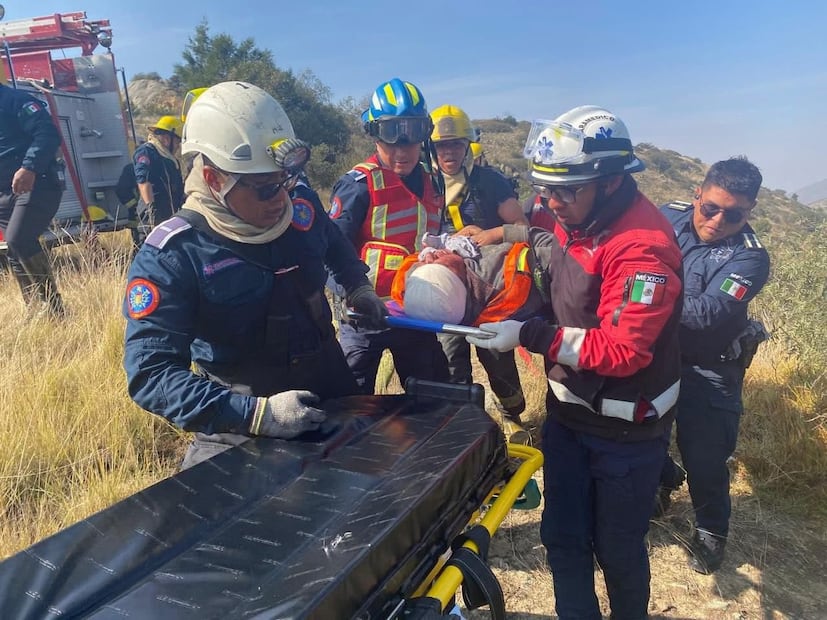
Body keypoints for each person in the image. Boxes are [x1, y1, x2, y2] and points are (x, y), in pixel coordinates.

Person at [467, 106, 683, 620]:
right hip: (568, 416)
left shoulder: (642, 250)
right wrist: (475, 242)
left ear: (610, 183)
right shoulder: (566, 210)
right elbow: (538, 232)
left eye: (566, 191)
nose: (551, 203)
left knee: (619, 551)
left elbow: (623, 351)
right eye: (545, 189)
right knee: (563, 541)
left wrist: (529, 334)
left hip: (625, 432)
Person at [122, 81, 386, 469]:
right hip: (238, 419)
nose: (281, 199)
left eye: (285, 181)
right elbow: (151, 373)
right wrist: (256, 415)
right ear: (214, 179)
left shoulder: (300, 205)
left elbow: (332, 243)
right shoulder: (173, 255)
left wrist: (357, 285)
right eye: (264, 189)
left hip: (331, 387)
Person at [657, 157, 770, 574]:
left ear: (749, 211)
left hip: (710, 370)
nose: (718, 220)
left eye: (734, 214)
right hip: (657, 355)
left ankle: (710, 529)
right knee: (644, 432)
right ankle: (664, 481)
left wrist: (641, 295)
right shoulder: (668, 216)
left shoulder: (751, 259)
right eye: (711, 208)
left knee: (704, 456)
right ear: (697, 196)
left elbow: (706, 312)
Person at [329, 78, 448, 393]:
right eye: (391, 137)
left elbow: (437, 232)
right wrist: (351, 292)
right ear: (374, 135)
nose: (402, 150)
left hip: (415, 313)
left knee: (432, 391)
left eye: (411, 138)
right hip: (364, 314)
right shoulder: (358, 185)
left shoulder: (433, 181)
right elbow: (329, 249)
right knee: (349, 397)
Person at [429, 104, 531, 437]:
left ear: (467, 145)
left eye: (456, 144)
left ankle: (511, 416)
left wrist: (488, 235)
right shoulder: (425, 183)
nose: (449, 152)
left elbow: (524, 228)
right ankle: (465, 427)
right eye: (442, 145)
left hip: (489, 289)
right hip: (446, 286)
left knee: (496, 356)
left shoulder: (489, 181)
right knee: (450, 357)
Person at [0, 82, 65, 317]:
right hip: (4, 193)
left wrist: (29, 167)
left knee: (19, 238)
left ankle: (54, 308)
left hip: (36, 184)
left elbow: (48, 133)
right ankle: (35, 309)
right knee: (14, 248)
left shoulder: (15, 100)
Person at [133, 115, 185, 238]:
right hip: (153, 220)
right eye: (178, 141)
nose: (178, 146)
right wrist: (151, 212)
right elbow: (143, 181)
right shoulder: (147, 152)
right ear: (167, 139)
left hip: (169, 216)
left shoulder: (169, 159)